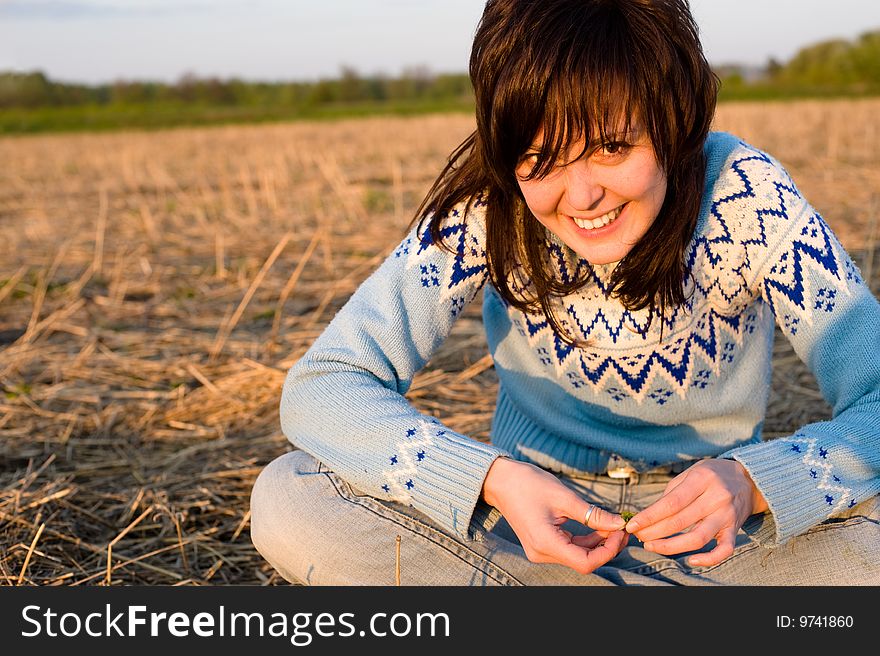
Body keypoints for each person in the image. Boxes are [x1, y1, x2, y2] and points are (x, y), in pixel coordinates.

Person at [250, 0, 880, 585]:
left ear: (674, 118)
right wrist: (492, 481)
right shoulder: (487, 205)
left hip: (720, 536)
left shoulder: (747, 198)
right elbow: (323, 386)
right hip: (523, 533)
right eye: (541, 158)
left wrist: (754, 483)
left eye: (611, 147)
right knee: (292, 496)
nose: (581, 198)